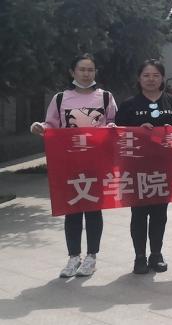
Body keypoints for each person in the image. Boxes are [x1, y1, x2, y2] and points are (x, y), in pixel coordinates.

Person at [31, 53, 118, 278]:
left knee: (93, 210)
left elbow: (113, 124)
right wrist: (39, 127)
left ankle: (91, 257)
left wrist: (112, 128)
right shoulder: (61, 98)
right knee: (72, 210)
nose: (86, 74)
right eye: (82, 69)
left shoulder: (105, 97)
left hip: (96, 164)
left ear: (95, 72)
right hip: (69, 163)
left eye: (90, 69)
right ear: (73, 72)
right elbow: (50, 125)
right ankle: (73, 257)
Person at [115, 59, 172, 274]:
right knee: (138, 214)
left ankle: (156, 254)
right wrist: (138, 129)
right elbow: (117, 135)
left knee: (159, 214)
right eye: (146, 75)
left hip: (164, 169)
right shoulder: (128, 104)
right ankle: (139, 257)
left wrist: (171, 131)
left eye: (156, 75)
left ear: (162, 78)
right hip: (136, 168)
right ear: (139, 79)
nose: (151, 79)